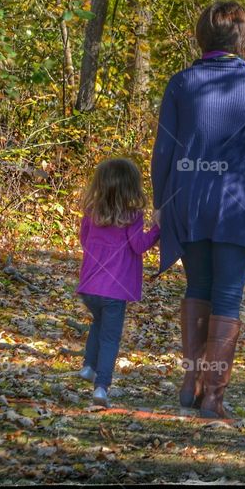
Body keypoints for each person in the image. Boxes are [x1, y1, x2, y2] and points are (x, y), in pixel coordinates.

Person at [150, 0, 245, 419]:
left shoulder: (180, 84)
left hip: (190, 200)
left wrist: (162, 202)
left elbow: (163, 152)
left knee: (198, 287)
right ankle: (213, 396)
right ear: (242, 39)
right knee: (227, 294)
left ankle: (192, 381)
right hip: (240, 203)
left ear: (202, 36)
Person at [76, 158, 161, 407]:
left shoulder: (91, 213)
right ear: (130, 187)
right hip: (115, 290)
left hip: (89, 288)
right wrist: (158, 229)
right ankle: (102, 386)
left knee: (98, 325)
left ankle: (89, 366)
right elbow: (139, 245)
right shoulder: (132, 217)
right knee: (110, 338)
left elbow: (84, 241)